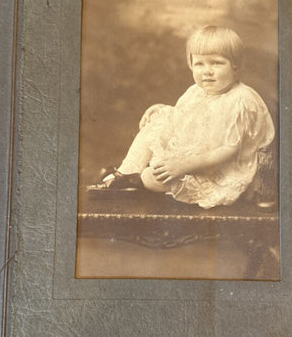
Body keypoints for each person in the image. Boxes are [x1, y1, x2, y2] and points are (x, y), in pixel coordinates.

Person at [91, 25, 275, 209]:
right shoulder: (197, 91)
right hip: (200, 158)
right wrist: (164, 110)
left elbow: (229, 151)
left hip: (227, 169)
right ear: (190, 65)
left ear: (235, 65)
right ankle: (126, 173)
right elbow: (184, 119)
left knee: (151, 177)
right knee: (160, 119)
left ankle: (136, 181)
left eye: (217, 63)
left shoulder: (241, 100)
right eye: (199, 64)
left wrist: (182, 165)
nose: (207, 71)